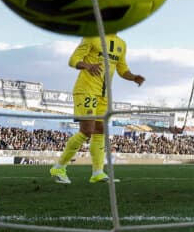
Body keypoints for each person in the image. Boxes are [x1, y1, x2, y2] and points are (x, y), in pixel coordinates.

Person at [50, 34, 144, 184]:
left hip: (104, 95)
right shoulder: (92, 37)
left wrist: (133, 77)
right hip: (86, 89)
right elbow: (73, 60)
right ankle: (59, 167)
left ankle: (97, 173)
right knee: (87, 130)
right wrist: (87, 66)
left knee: (100, 130)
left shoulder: (121, 44)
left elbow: (122, 69)